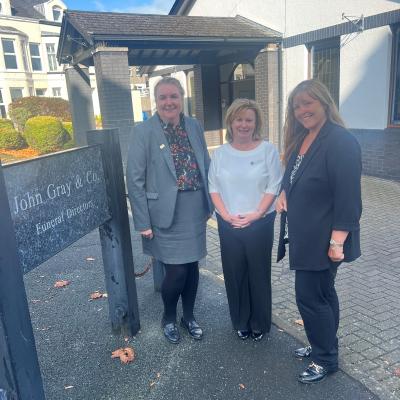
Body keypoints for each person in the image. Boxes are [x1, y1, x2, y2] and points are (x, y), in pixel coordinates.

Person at [275, 79, 362, 384]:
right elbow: (293, 176)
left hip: (324, 240)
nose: (302, 110)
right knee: (323, 295)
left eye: (308, 103)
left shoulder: (341, 142)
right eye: (297, 105)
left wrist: (337, 242)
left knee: (310, 298)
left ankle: (325, 359)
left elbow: (349, 199)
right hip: (305, 237)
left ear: (324, 102)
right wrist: (284, 191)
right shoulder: (303, 138)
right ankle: (322, 344)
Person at [126, 77, 213, 344]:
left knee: (192, 267)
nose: (168, 102)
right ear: (156, 100)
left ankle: (189, 317)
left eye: (173, 96)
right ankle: (168, 317)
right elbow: (134, 179)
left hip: (194, 209)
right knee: (176, 271)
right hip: (163, 214)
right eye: (163, 97)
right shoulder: (144, 131)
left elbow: (205, 164)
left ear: (181, 98)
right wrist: (142, 221)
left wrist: (212, 202)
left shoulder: (194, 125)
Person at [208, 98, 281, 342]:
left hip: (260, 222)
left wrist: (257, 214)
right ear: (230, 122)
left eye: (249, 120)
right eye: (239, 119)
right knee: (234, 272)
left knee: (258, 273)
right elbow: (213, 187)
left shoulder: (268, 150)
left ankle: (259, 322)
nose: (243, 124)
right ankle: (241, 320)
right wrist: (226, 215)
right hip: (228, 223)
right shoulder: (220, 154)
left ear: (256, 122)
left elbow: (274, 186)